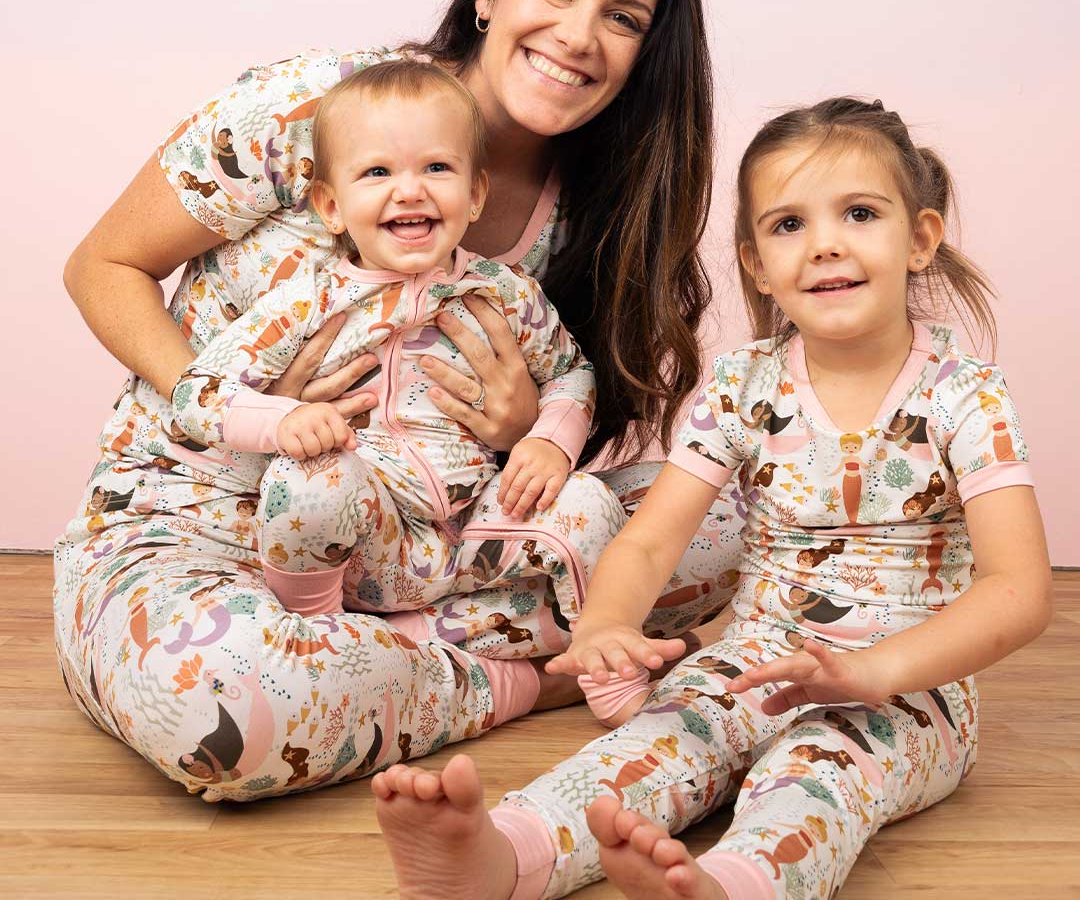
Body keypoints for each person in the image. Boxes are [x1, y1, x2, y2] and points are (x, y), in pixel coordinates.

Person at [56, 0, 742, 801]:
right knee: (216, 707)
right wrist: (238, 409)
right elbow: (102, 267)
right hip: (201, 536)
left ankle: (377, 669)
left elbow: (565, 415)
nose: (578, 35)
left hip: (435, 552)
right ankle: (531, 682)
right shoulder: (316, 108)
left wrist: (530, 427)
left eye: (623, 18)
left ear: (646, 51)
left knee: (751, 506)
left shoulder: (597, 210)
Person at [371, 97, 1052, 900]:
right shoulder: (743, 386)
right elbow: (651, 541)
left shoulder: (963, 397)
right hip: (753, 658)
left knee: (816, 778)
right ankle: (505, 856)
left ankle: (735, 885)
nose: (825, 243)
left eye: (860, 213)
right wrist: (607, 624)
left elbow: (1019, 591)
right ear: (757, 263)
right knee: (662, 738)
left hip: (905, 689)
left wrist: (875, 671)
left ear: (921, 240)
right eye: (789, 225)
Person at [172, 59, 597, 620]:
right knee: (310, 480)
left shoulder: (503, 292)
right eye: (377, 173)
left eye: (437, 167)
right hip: (365, 546)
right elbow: (197, 393)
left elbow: (572, 371)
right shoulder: (309, 300)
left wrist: (549, 441)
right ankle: (319, 633)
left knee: (591, 503)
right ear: (331, 207)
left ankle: (594, 654)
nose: (410, 191)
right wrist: (282, 420)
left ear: (475, 193)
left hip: (479, 530)